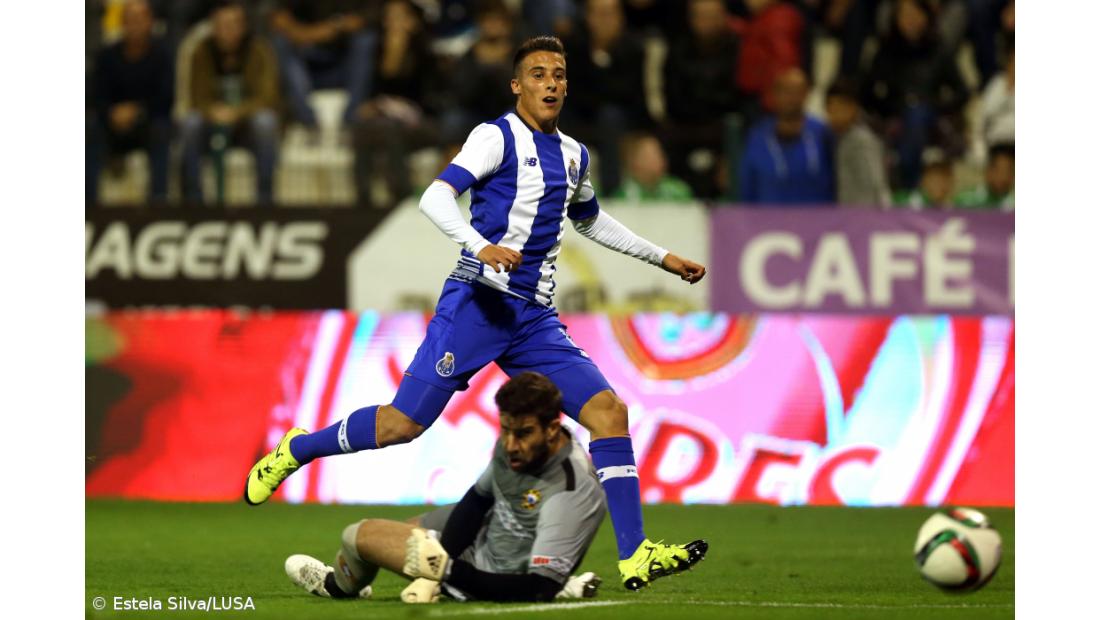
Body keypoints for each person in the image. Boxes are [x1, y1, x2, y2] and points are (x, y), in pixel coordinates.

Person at [245, 36, 709, 592]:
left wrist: (661, 257)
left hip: (533, 317)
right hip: (478, 303)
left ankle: (635, 555)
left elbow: (591, 220)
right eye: (538, 74)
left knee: (609, 413)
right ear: (518, 85)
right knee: (402, 425)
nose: (551, 83)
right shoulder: (495, 137)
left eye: (558, 74)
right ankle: (298, 448)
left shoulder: (575, 154)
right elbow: (435, 197)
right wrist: (478, 245)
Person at [283, 372, 609, 603]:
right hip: (490, 538)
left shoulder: (571, 489)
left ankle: (336, 586)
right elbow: (477, 501)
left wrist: (447, 571)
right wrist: (437, 564)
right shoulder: (518, 444)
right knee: (408, 531)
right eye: (505, 430)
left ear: (553, 429)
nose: (509, 445)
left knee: (359, 536)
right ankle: (555, 574)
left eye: (522, 433)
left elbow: (539, 588)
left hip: (490, 576)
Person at [180, 0, 280, 205]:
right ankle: (193, 203)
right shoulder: (201, 51)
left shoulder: (258, 49)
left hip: (246, 125)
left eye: (233, 25)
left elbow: (268, 96)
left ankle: (265, 203)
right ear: (213, 28)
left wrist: (236, 112)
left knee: (266, 122)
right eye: (222, 25)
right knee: (190, 124)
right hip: (212, 123)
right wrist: (213, 112)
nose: (228, 31)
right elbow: (195, 98)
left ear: (243, 26)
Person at [860, 0, 969, 189]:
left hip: (931, 119)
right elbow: (866, 92)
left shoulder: (938, 49)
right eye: (905, 15)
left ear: (926, 17)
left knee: (917, 115)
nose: (910, 20)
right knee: (908, 120)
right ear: (896, 18)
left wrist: (936, 106)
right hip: (895, 118)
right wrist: (889, 108)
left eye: (915, 14)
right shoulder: (886, 51)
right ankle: (909, 184)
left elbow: (962, 92)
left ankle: (906, 185)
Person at [350, 0, 437, 207]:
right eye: (389, 17)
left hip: (424, 120)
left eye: (399, 17)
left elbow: (427, 95)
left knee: (390, 130)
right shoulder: (378, 49)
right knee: (362, 127)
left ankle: (401, 196)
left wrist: (406, 45)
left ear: (412, 21)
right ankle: (363, 199)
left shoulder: (423, 49)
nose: (393, 23)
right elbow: (376, 90)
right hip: (387, 117)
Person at [87, 0, 173, 204]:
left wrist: (137, 111)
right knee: (89, 128)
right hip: (111, 123)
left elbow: (165, 99)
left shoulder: (162, 56)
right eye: (130, 20)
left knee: (162, 130)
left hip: (147, 123)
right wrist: (112, 113)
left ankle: (158, 204)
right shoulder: (106, 56)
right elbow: (96, 97)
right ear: (122, 24)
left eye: (140, 19)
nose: (135, 25)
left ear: (150, 22)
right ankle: (88, 207)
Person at [561, 0, 651, 195]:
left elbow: (630, 94)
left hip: (621, 117)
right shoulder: (573, 47)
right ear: (588, 17)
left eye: (611, 14)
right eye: (600, 14)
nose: (606, 21)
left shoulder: (633, 49)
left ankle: (612, 191)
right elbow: (573, 92)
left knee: (610, 115)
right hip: (580, 115)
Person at [661, 0, 743, 199]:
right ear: (691, 19)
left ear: (724, 18)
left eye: (712, 16)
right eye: (700, 16)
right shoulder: (678, 48)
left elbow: (736, 94)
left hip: (721, 127)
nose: (706, 22)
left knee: (737, 128)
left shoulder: (737, 48)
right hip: (685, 126)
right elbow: (672, 94)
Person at [269, 0, 376, 128]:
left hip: (343, 67)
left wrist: (332, 27)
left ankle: (351, 120)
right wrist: (307, 34)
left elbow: (362, 19)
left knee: (365, 39)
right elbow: (278, 18)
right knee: (280, 42)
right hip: (305, 69)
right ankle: (308, 122)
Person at [740, 67, 834, 205]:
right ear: (774, 94)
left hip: (817, 221)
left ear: (807, 94)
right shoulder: (757, 136)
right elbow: (747, 187)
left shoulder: (822, 133)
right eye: (786, 91)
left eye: (798, 92)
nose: (792, 98)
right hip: (767, 222)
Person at [825, 78, 890, 207]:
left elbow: (875, 182)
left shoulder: (862, 140)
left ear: (853, 108)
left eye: (840, 108)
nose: (835, 115)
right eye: (831, 109)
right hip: (848, 216)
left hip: (864, 215)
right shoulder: (838, 139)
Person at [733, 0, 805, 114]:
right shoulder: (764, 16)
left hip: (764, 100)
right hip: (756, 95)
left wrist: (773, 99)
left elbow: (784, 59)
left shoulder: (779, 18)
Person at [612, 134, 694, 203]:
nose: (659, 158)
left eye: (659, 153)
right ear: (633, 161)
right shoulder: (623, 196)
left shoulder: (679, 190)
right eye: (649, 155)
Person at [955, 142, 1013, 210]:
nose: (1003, 177)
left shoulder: (1013, 204)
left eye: (1009, 171)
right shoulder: (965, 201)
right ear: (988, 170)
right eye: (998, 170)